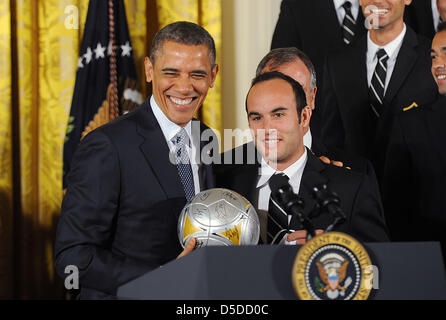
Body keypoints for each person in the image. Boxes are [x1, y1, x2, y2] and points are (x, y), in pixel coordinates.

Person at [54, 21, 219, 299]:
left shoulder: (205, 136)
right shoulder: (107, 145)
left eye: (197, 74)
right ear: (148, 70)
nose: (184, 86)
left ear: (213, 75)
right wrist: (163, 278)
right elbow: (73, 257)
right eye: (171, 73)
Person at [217, 71, 389, 245]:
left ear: (304, 117)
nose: (267, 128)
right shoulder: (226, 185)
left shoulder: (353, 188)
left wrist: (334, 251)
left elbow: (381, 262)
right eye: (257, 117)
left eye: (278, 115)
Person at [321, 0, 438, 184]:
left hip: (418, 198)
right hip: (355, 199)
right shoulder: (338, 63)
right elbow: (331, 142)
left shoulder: (432, 60)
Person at [255, 47, 376, 175]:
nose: (286, 104)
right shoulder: (233, 172)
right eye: (276, 91)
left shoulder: (357, 172)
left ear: (312, 97)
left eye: (298, 92)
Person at [383, 22, 446, 261]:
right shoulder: (410, 125)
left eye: (445, 53)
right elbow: (395, 209)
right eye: (433, 56)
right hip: (433, 263)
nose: (438, 64)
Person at [271, 0, 367, 137]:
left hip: (379, 136)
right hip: (317, 132)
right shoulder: (296, 5)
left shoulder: (392, 6)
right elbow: (279, 72)